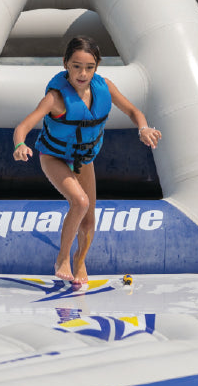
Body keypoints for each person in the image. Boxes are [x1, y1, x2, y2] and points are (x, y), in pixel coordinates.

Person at [12, 36, 161, 289]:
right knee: (79, 202)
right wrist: (19, 145)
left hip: (84, 158)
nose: (83, 73)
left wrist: (143, 128)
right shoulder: (56, 98)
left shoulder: (105, 87)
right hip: (54, 156)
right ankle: (62, 259)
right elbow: (23, 126)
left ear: (97, 67)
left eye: (89, 67)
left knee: (90, 220)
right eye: (76, 66)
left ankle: (80, 261)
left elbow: (134, 112)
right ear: (65, 64)